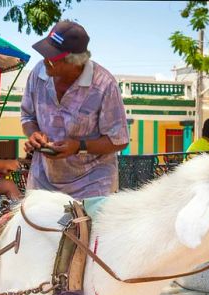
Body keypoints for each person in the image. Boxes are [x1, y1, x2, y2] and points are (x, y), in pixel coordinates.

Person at [21, 20, 128, 200]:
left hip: (92, 182)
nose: (45, 60)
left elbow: (119, 140)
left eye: (52, 57)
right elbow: (27, 117)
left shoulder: (104, 85)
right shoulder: (38, 73)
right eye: (45, 53)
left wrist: (79, 147)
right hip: (44, 178)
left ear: (74, 62)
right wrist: (34, 134)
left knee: (87, 228)